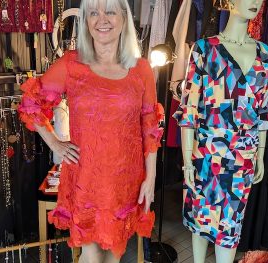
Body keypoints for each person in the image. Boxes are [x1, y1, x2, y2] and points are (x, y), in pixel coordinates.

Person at [18, 0, 163, 262]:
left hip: (125, 179)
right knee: (92, 254)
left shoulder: (141, 69)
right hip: (87, 177)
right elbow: (31, 103)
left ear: (123, 18)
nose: (101, 19)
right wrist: (55, 143)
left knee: (114, 252)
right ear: (85, 21)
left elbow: (150, 126)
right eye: (93, 13)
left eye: (109, 11)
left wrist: (150, 177)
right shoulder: (72, 64)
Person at [173, 0, 268, 262]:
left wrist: (260, 155)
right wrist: (187, 162)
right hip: (205, 156)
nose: (255, 2)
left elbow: (263, 111)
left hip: (242, 158)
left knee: (230, 228)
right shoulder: (204, 50)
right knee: (201, 218)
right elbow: (189, 110)